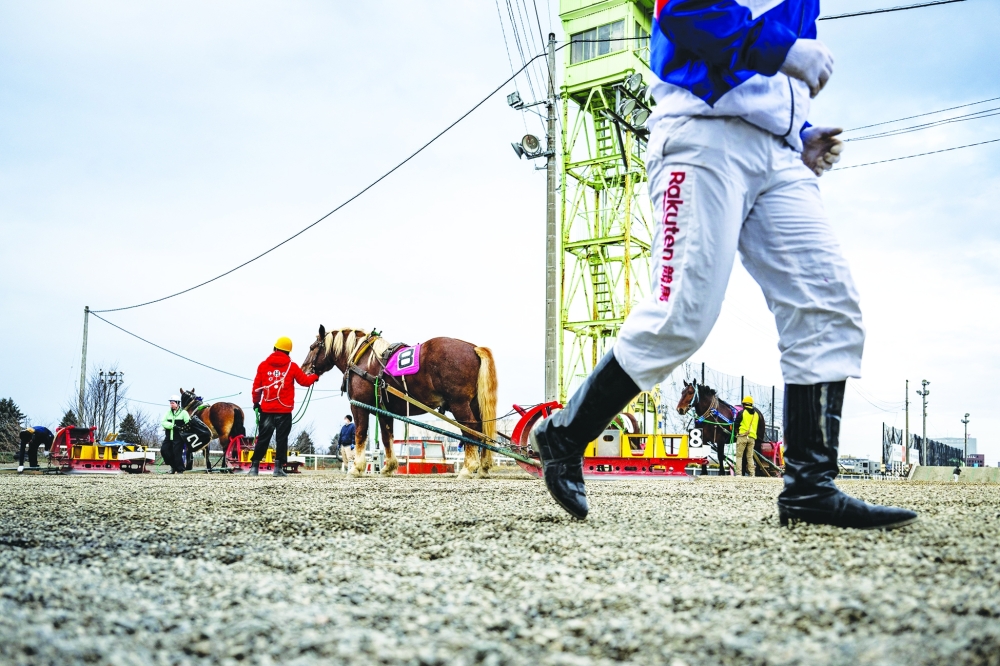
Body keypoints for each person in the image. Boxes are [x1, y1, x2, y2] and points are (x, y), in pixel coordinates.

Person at [530, 0, 918, 530]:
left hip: (781, 155)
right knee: (680, 317)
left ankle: (810, 488)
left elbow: (766, 84)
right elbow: (683, 11)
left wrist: (798, 131)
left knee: (828, 304)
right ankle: (565, 435)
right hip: (701, 133)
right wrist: (784, 49)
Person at [250, 336, 319, 476]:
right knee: (282, 439)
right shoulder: (291, 367)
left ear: (275, 348)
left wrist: (256, 403)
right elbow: (304, 381)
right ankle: (278, 468)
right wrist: (315, 376)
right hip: (284, 410)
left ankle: (254, 468)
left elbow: (257, 387)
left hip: (267, 409)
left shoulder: (263, 365)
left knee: (263, 437)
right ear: (288, 352)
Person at [733, 396, 764, 477]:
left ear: (744, 404)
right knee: (750, 457)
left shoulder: (742, 413)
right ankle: (752, 473)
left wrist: (737, 431)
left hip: (742, 436)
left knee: (739, 456)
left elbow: (735, 424)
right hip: (752, 438)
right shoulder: (756, 415)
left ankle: (739, 473)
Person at [161, 395, 191, 474]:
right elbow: (163, 422)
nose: (171, 404)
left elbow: (188, 423)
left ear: (178, 403)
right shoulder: (168, 413)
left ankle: (180, 469)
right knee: (164, 450)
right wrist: (173, 426)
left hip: (178, 437)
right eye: (170, 403)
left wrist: (182, 429)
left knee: (177, 453)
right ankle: (174, 466)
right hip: (168, 436)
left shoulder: (184, 413)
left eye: (173, 403)